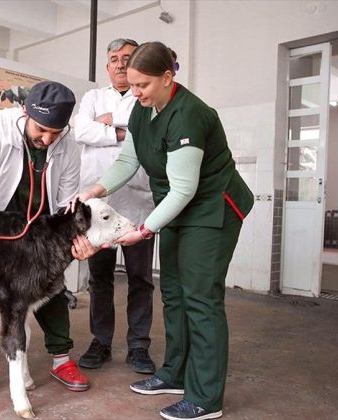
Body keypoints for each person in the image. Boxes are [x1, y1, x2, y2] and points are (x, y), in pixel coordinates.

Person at [77, 41, 254, 420]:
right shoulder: (144, 109)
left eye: (142, 84)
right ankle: (174, 372)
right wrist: (97, 188)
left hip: (212, 208)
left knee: (201, 299)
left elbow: (185, 189)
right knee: (173, 292)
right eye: (131, 83)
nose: (134, 91)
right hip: (176, 207)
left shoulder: (189, 114)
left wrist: (142, 230)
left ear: (168, 77)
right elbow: (129, 158)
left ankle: (205, 398)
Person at [0, 81, 97, 405]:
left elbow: (66, 203)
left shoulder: (67, 145)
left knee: (54, 288)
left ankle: (61, 359)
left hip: (39, 227)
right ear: (25, 112)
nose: (47, 139)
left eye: (55, 133)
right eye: (42, 129)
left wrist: (76, 238)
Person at [73, 38, 157, 374]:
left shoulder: (145, 98)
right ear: (106, 66)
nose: (120, 64)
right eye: (114, 59)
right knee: (100, 278)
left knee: (140, 279)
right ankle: (101, 342)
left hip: (138, 204)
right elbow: (81, 130)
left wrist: (108, 123)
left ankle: (139, 347)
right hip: (99, 206)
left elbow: (146, 132)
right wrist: (123, 130)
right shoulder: (92, 97)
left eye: (127, 58)